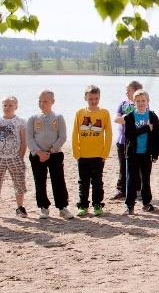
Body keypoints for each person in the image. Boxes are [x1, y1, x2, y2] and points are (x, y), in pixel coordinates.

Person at [26, 91, 72, 219]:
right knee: (39, 182)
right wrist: (39, 152)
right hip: (37, 156)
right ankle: (43, 207)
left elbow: (62, 136)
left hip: (55, 154)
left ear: (52, 102)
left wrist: (51, 151)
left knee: (58, 181)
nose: (42, 103)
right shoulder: (33, 118)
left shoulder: (58, 117)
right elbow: (29, 138)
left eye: (45, 101)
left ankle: (62, 207)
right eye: (40, 101)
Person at [72, 85, 112, 217]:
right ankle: (83, 205)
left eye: (96, 98)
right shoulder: (80, 113)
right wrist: (76, 152)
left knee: (97, 182)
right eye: (90, 98)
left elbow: (109, 134)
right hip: (83, 155)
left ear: (99, 98)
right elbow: (74, 133)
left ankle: (97, 204)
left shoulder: (104, 113)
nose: (93, 101)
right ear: (85, 98)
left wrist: (105, 153)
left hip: (98, 155)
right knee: (83, 182)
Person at [123, 89, 159, 215]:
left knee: (146, 179)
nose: (141, 103)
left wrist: (155, 154)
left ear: (148, 101)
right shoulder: (129, 117)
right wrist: (145, 128)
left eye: (143, 100)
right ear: (133, 102)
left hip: (146, 153)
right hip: (133, 153)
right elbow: (129, 135)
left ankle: (146, 203)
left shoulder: (153, 116)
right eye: (138, 101)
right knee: (131, 180)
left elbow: (156, 137)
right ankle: (129, 205)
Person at [111, 80, 143, 201]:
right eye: (126, 90)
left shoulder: (142, 103)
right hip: (122, 140)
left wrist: (126, 118)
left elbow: (142, 118)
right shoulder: (123, 103)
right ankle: (121, 189)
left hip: (137, 141)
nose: (126, 92)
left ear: (136, 91)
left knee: (137, 166)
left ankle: (137, 189)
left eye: (129, 90)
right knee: (122, 165)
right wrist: (128, 118)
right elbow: (116, 119)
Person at [1, 96, 28, 217]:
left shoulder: (20, 121)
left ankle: (20, 208)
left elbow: (23, 141)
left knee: (19, 182)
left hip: (15, 157)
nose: (7, 107)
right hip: (0, 157)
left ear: (16, 106)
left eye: (10, 105)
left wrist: (20, 157)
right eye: (4, 105)